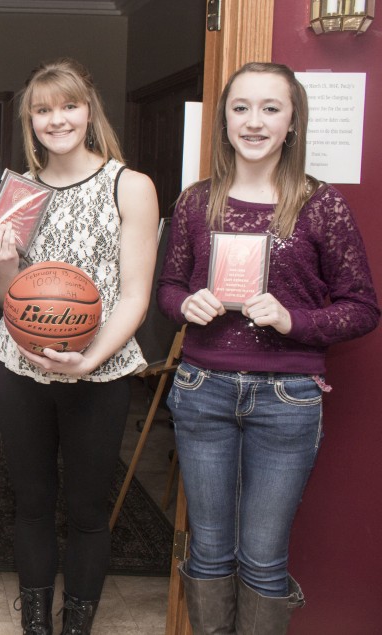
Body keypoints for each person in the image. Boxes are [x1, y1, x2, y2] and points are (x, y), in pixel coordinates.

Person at [157, 62, 379, 635]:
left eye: (270, 108)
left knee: (261, 556)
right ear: (224, 119)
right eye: (240, 107)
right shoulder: (195, 202)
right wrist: (186, 306)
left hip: (288, 401)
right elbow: (168, 288)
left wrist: (293, 319)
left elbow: (362, 307)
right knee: (208, 550)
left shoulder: (320, 205)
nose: (253, 122)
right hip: (202, 392)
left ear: (292, 122)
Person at [0, 58, 158, 635]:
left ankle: (77, 625)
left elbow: (134, 296)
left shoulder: (130, 186)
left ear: (89, 111)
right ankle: (35, 623)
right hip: (21, 367)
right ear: (30, 121)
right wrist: (5, 263)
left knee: (87, 511)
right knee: (31, 503)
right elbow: (6, 293)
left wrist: (90, 358)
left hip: (100, 371)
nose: (56, 119)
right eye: (42, 109)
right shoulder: (16, 191)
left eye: (68, 106)